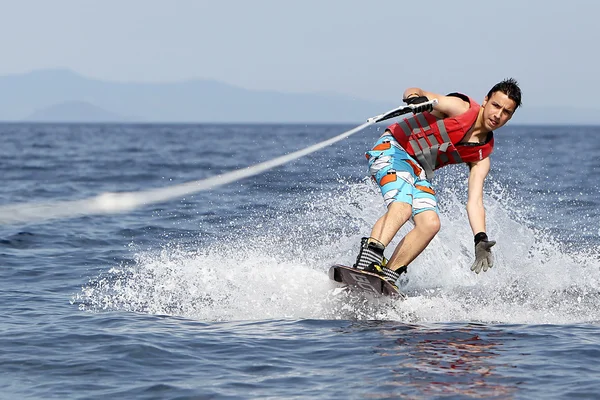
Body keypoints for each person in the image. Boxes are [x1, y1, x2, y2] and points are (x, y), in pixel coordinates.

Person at [353, 78, 522, 289]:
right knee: (403, 206)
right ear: (486, 100)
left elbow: (475, 201)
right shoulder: (460, 107)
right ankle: (369, 259)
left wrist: (480, 238)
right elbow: (413, 89)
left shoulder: (482, 156)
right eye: (496, 106)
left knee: (430, 224)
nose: (498, 115)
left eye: (506, 112)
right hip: (392, 150)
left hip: (417, 170)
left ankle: (388, 277)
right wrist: (416, 99)